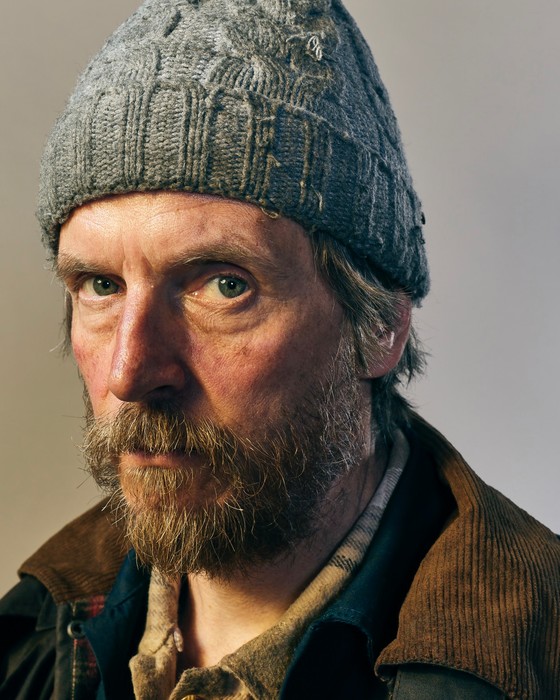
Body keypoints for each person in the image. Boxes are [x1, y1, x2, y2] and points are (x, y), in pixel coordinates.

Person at [0, 0, 558, 697]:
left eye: (224, 285)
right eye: (101, 285)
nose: (130, 372)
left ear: (380, 326)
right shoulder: (29, 641)